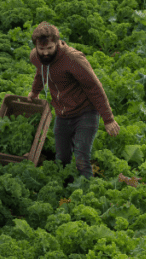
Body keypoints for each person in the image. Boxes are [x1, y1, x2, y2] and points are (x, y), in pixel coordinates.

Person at [26, 21, 120, 179]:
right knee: (61, 159)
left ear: (57, 43)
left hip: (85, 112)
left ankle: (87, 194)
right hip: (62, 114)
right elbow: (40, 72)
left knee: (81, 158)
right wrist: (34, 92)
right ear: (36, 46)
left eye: (49, 48)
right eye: (41, 49)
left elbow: (94, 87)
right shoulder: (36, 57)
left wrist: (108, 119)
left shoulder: (72, 59)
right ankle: (65, 191)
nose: (46, 53)